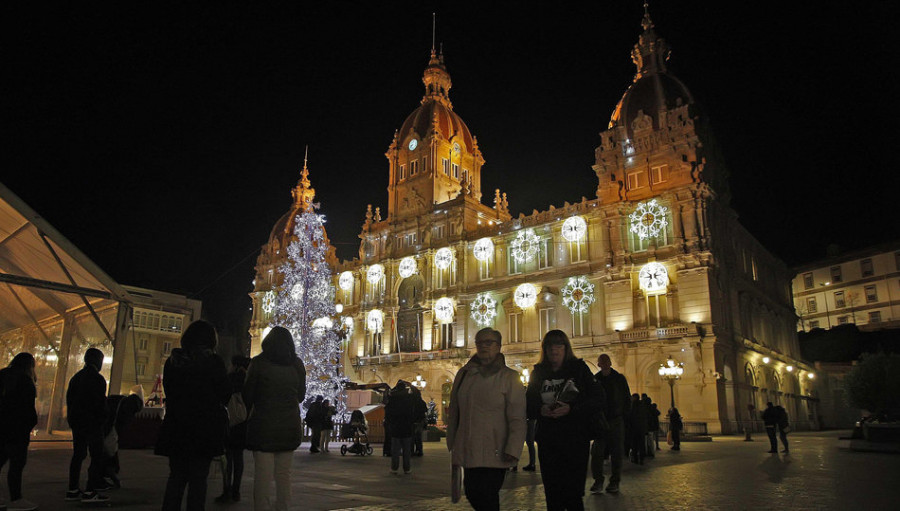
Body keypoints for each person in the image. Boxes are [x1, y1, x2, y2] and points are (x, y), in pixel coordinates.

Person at [447, 328, 526, 511]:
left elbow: (517, 417)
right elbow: (456, 410)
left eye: (489, 342)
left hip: (496, 448)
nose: (483, 346)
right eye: (480, 343)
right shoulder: (464, 374)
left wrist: (513, 448)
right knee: (473, 492)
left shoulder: (509, 377)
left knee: (487, 495)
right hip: (469, 446)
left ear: (498, 346)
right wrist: (454, 442)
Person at [155, 320, 230, 511]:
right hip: (203, 430)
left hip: (177, 427)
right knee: (198, 481)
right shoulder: (214, 362)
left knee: (176, 479)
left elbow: (169, 391)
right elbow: (224, 395)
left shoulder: (173, 361)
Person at [526, 330, 603, 511]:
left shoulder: (579, 370)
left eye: (559, 345)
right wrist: (540, 409)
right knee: (553, 494)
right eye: (550, 345)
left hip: (574, 440)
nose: (554, 349)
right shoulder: (538, 373)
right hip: (548, 440)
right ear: (544, 349)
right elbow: (528, 402)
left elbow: (598, 398)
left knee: (573, 494)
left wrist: (571, 409)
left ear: (566, 348)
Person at [243, 327, 306, 511]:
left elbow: (248, 395)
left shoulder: (258, 363)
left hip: (263, 426)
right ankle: (283, 508)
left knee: (262, 477)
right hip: (288, 426)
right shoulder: (297, 364)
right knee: (284, 476)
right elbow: (301, 396)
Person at [66, 347, 110, 504]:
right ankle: (90, 491)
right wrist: (103, 419)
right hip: (93, 423)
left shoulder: (76, 378)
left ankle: (72, 489)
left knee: (78, 455)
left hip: (77, 423)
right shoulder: (98, 379)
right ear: (98, 361)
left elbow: (70, 401)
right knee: (96, 456)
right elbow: (100, 404)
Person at [0, 353, 39, 511]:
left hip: (1, 428)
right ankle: (16, 499)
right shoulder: (25, 381)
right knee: (16, 465)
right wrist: (30, 424)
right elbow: (27, 410)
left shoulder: (2, 375)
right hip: (17, 431)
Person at [589, 353, 631, 495]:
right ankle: (598, 480)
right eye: (602, 362)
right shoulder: (596, 380)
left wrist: (624, 417)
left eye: (606, 361)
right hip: (601, 421)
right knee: (597, 453)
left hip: (616, 420)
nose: (605, 364)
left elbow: (626, 399)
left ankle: (614, 481)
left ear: (610, 363)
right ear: (599, 364)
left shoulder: (619, 379)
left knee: (617, 452)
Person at [216, 356, 250, 503]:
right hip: (243, 423)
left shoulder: (230, 378)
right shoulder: (249, 380)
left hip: (230, 422)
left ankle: (227, 489)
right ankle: (236, 490)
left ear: (235, 365)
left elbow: (222, 396)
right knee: (238, 458)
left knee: (228, 458)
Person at [101, 386, 145, 489]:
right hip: (107, 432)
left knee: (106, 456)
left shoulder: (117, 402)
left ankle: (102, 478)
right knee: (108, 457)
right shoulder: (123, 410)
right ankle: (102, 479)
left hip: (105, 431)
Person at [384, 381, 416, 475]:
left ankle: (394, 468)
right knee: (407, 450)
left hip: (396, 427)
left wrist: (389, 424)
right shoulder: (409, 398)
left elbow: (388, 412)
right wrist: (410, 384)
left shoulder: (393, 399)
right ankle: (407, 468)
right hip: (407, 427)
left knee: (395, 450)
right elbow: (417, 394)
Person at [629, 394, 647, 464]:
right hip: (641, 428)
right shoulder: (642, 406)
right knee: (641, 443)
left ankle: (635, 458)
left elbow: (630, 416)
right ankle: (641, 458)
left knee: (635, 444)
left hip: (634, 428)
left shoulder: (633, 406)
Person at [411, 386, 427, 457]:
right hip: (420, 420)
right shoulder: (422, 402)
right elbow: (425, 410)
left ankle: (412, 450)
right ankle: (419, 450)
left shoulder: (412, 401)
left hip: (413, 420)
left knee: (412, 436)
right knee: (418, 437)